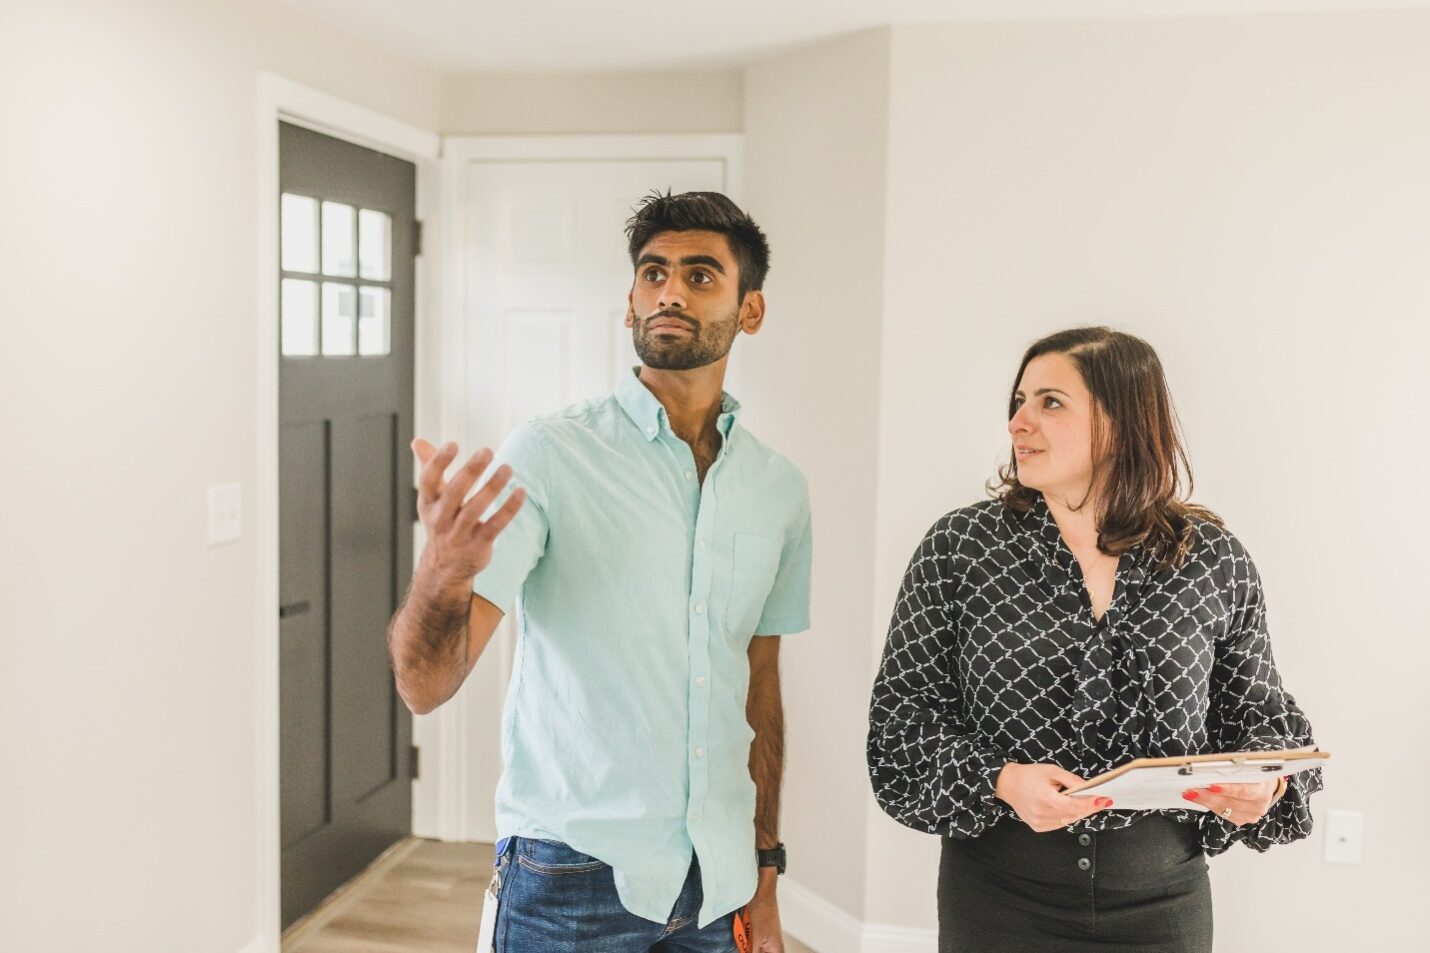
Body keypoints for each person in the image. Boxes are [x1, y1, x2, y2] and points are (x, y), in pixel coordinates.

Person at [387, 191, 811, 952]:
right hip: (569, 876)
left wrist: (765, 864)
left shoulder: (779, 489)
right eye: (653, 274)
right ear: (629, 304)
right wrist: (442, 569)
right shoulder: (550, 454)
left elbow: (761, 684)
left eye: (700, 275)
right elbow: (425, 685)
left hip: (716, 883)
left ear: (751, 311)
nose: (670, 291)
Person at [866, 326, 1321, 953]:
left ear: (1124, 422)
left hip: (1163, 911)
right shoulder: (960, 548)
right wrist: (1000, 779)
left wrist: (1264, 783)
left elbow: (1261, 714)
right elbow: (899, 721)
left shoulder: (1213, 559)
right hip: (996, 903)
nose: (1019, 422)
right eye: (1018, 402)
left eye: (1050, 402)